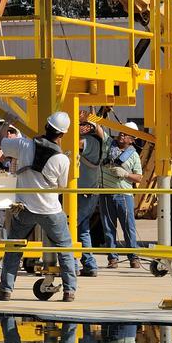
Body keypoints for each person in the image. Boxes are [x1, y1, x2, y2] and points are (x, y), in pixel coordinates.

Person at [0, 112, 78, 302]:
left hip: (24, 209)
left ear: (46, 126)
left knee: (13, 247)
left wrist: (8, 123)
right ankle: (69, 291)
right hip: (50, 210)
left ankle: (5, 290)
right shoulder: (62, 159)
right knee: (64, 248)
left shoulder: (24, 145)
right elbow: (62, 186)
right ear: (62, 135)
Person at [100, 122, 144, 268]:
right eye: (121, 132)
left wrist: (125, 174)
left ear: (132, 139)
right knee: (108, 228)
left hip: (124, 195)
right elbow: (98, 128)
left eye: (126, 134)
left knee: (128, 226)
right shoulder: (108, 145)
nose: (122, 134)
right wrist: (95, 110)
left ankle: (133, 257)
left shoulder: (133, 155)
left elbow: (138, 177)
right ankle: (113, 258)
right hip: (106, 193)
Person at [76, 110, 108, 276]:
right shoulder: (99, 142)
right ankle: (89, 264)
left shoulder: (91, 142)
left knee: (70, 226)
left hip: (84, 192)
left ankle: (72, 263)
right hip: (87, 192)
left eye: (83, 126)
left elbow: (77, 144)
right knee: (82, 228)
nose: (81, 128)